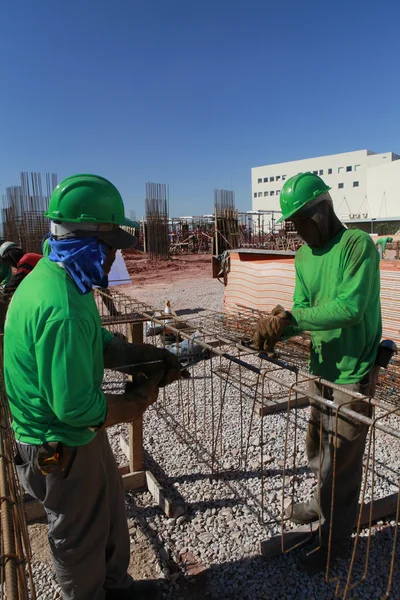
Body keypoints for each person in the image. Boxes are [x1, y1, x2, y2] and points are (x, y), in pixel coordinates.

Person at [4, 174, 187, 600]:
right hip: (57, 443)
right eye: (110, 250)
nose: (113, 260)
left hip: (78, 437)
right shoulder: (60, 305)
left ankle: (116, 586)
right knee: (77, 537)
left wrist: (143, 357)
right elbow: (75, 407)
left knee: (107, 510)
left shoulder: (66, 277)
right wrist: (134, 403)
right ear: (86, 241)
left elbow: (97, 342)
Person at [253, 172, 382, 573]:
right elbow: (301, 305)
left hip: (352, 369)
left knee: (341, 460)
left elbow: (349, 308)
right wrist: (280, 325)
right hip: (321, 366)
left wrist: (294, 317)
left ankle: (335, 541)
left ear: (321, 211)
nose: (296, 231)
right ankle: (321, 503)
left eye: (299, 222)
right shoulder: (304, 256)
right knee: (318, 447)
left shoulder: (357, 246)